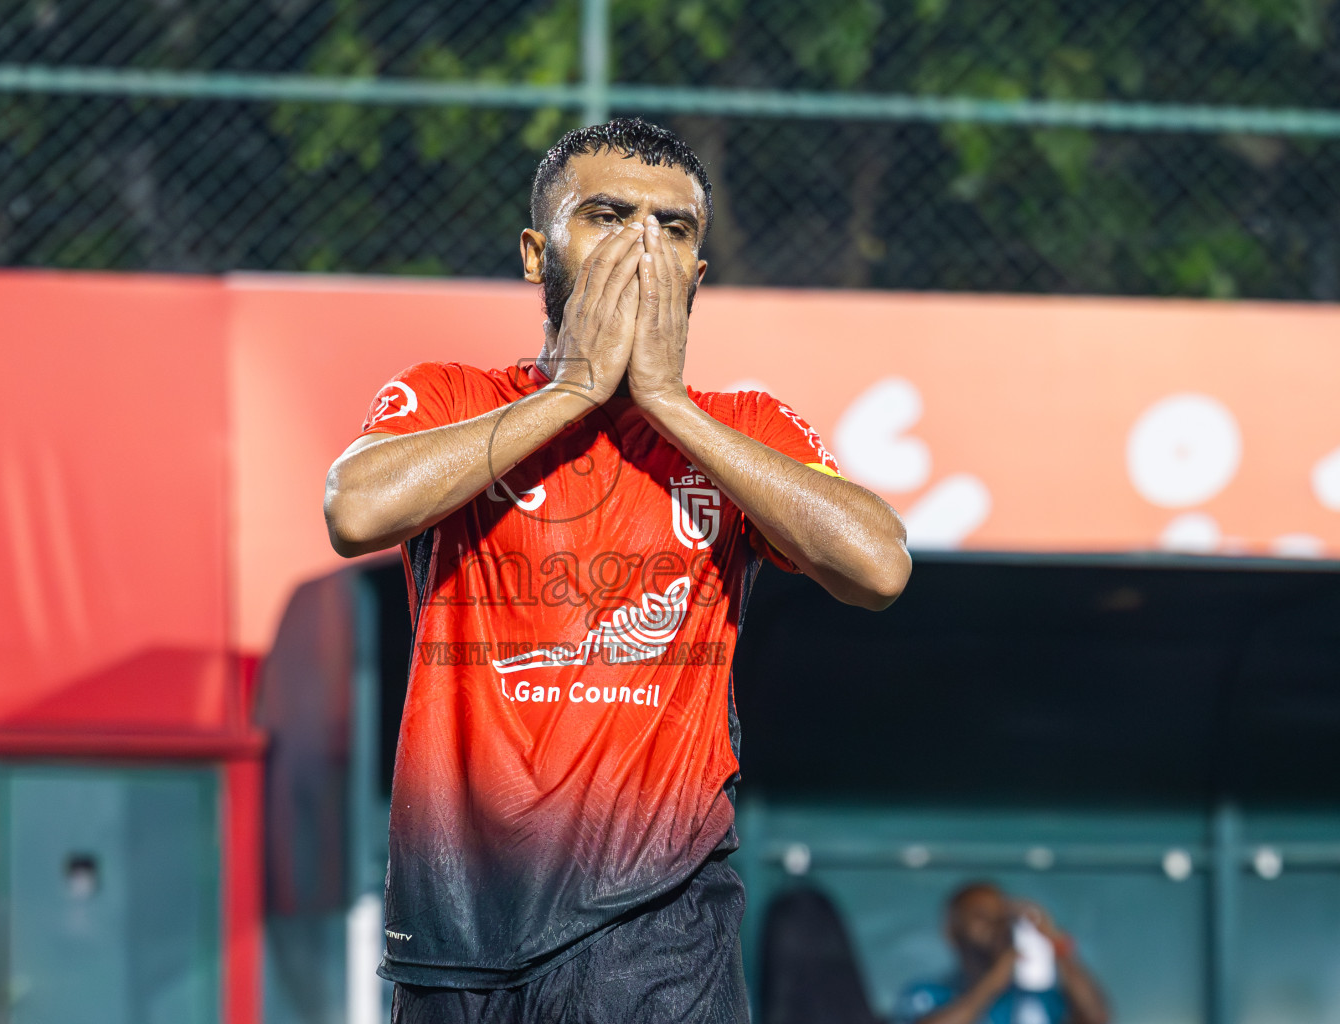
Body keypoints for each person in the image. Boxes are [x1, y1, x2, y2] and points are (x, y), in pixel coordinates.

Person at [324, 118, 912, 1023]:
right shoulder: (453, 396)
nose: (643, 245)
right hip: (458, 924)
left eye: (673, 230)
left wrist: (667, 404)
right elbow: (355, 509)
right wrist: (573, 392)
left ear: (698, 276)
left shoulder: (743, 424)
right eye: (608, 215)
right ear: (535, 253)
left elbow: (878, 566)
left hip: (655, 927)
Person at [895, 882, 1111, 1024]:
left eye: (1002, 917)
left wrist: (1054, 942)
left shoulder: (1034, 998)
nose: (996, 925)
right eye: (981, 917)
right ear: (951, 932)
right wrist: (996, 979)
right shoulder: (928, 994)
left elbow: (1095, 1017)